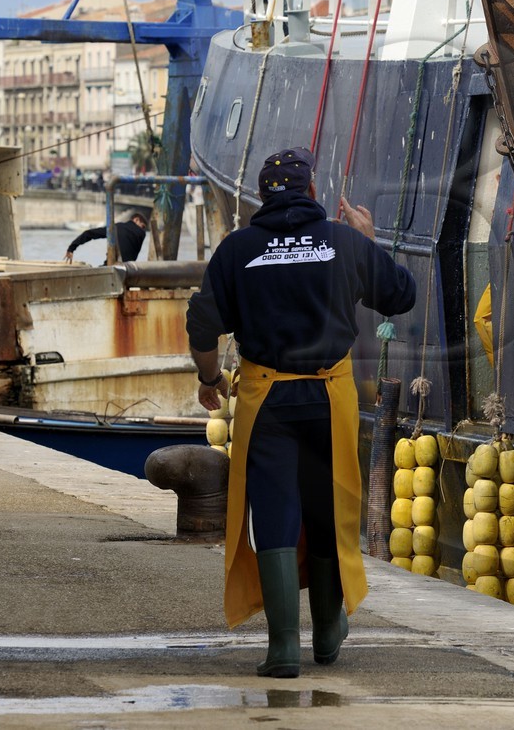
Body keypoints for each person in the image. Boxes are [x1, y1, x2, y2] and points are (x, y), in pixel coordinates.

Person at [186, 148, 415, 677]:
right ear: (311, 192)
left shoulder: (237, 249)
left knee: (274, 516)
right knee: (329, 510)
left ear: (261, 197)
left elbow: (201, 326)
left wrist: (209, 378)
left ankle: (283, 647)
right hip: (329, 400)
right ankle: (329, 633)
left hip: (266, 402)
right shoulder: (342, 240)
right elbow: (398, 295)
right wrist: (368, 241)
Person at [63, 211, 147, 263]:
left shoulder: (115, 228)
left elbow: (89, 233)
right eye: (142, 226)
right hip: (129, 268)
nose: (142, 229)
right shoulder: (142, 233)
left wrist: (71, 248)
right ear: (136, 219)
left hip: (111, 264)